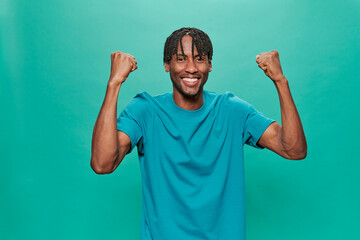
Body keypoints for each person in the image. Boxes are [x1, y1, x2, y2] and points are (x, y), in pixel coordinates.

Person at [90, 27, 307, 240]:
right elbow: (102, 163)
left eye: (200, 59)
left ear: (210, 65)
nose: (191, 68)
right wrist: (114, 84)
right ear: (167, 65)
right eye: (181, 59)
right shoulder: (145, 111)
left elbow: (293, 149)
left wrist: (281, 81)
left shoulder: (231, 110)